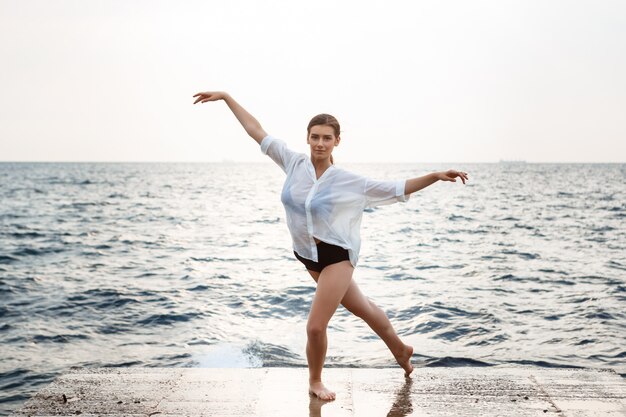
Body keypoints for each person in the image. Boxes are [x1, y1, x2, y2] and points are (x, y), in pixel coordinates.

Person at [193, 91, 469, 401]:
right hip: (308, 256)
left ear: (337, 141)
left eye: (327, 138)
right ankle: (401, 350)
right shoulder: (293, 163)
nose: (320, 143)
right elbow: (255, 130)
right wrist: (227, 98)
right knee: (361, 307)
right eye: (315, 137)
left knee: (314, 326)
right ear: (307, 138)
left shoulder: (348, 181)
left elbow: (396, 188)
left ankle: (315, 381)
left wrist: (434, 175)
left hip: (337, 255)